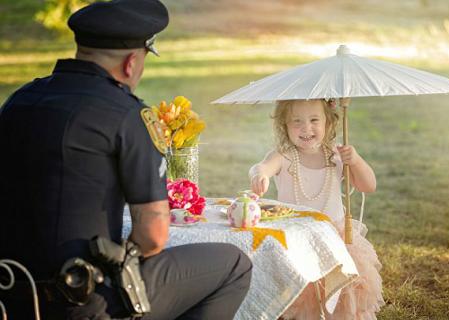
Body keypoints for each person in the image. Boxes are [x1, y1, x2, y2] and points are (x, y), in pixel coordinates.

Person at [0, 0, 252, 319]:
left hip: (13, 296)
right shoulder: (127, 115)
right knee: (234, 265)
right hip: (84, 300)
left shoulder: (20, 101)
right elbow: (153, 235)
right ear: (132, 62)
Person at [249, 99, 384, 319]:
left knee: (341, 293)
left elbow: (368, 186)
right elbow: (262, 167)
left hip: (333, 239)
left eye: (314, 120)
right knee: (302, 293)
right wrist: (260, 175)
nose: (306, 128)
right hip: (294, 238)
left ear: (328, 124)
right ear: (284, 126)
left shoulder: (337, 155)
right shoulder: (283, 155)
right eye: (297, 122)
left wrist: (356, 161)